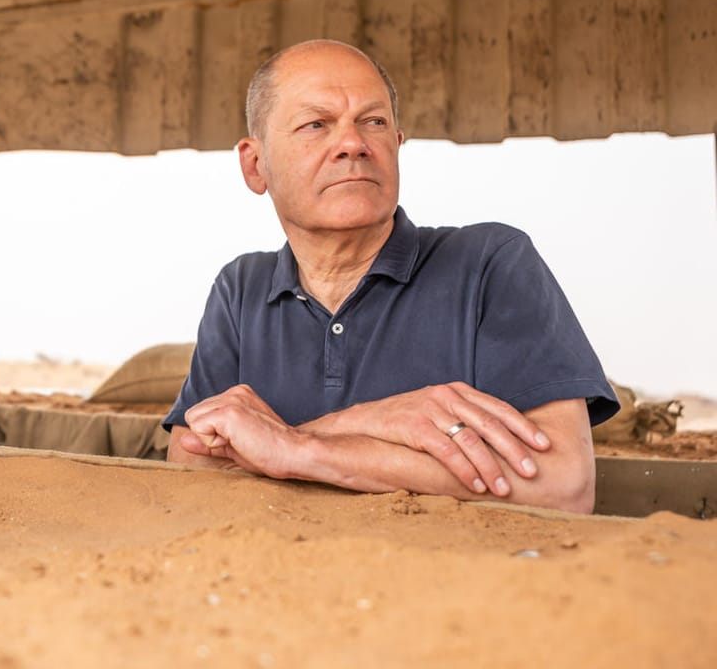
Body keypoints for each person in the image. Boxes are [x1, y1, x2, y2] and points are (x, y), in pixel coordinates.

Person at [164, 39, 617, 513]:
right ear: (256, 166)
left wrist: (298, 447)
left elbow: (565, 485)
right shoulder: (241, 288)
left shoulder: (490, 262)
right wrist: (380, 420)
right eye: (316, 124)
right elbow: (191, 463)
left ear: (397, 145)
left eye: (374, 122)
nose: (353, 144)